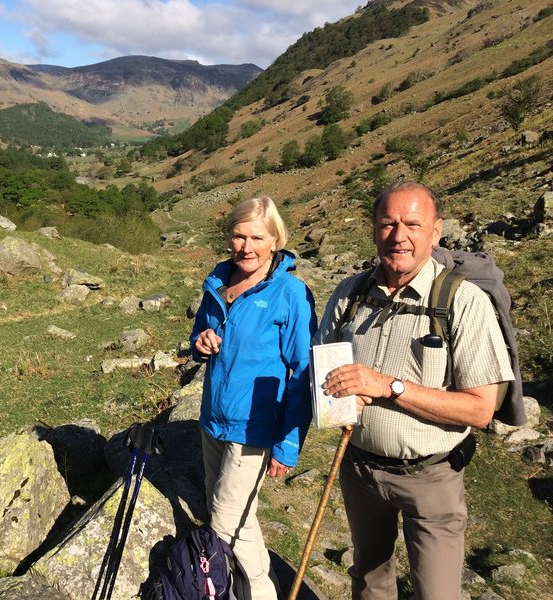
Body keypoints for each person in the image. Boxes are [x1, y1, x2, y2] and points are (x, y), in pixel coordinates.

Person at [314, 182, 514, 600]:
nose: (398, 235)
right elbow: (324, 374)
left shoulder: (463, 302)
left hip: (432, 476)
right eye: (388, 223)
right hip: (359, 470)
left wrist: (388, 386)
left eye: (412, 224)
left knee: (436, 593)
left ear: (436, 231)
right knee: (369, 583)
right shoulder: (349, 294)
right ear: (373, 230)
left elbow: (480, 411)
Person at [190, 196, 316, 599]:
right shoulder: (218, 281)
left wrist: (289, 443)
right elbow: (199, 336)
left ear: (276, 240)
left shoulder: (290, 293)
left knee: (225, 523)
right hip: (213, 418)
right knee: (235, 518)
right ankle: (264, 589)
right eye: (238, 236)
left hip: (255, 426)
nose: (246, 247)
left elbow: (304, 371)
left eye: (257, 238)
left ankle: (256, 592)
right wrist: (201, 342)